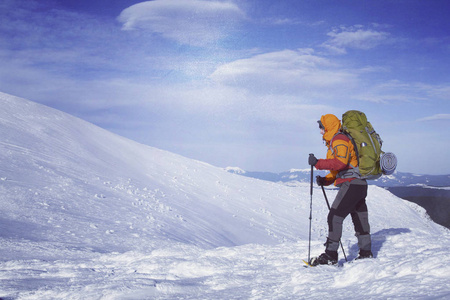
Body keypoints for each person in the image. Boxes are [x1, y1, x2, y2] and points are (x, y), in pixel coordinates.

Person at [308, 114, 373, 266]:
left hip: (351, 184)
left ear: (328, 127)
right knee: (359, 217)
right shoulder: (341, 139)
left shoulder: (339, 139)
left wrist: (318, 163)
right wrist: (327, 180)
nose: (320, 132)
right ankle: (365, 252)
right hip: (360, 184)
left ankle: (330, 255)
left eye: (321, 128)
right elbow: (343, 167)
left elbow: (341, 163)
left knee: (335, 217)